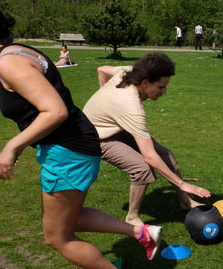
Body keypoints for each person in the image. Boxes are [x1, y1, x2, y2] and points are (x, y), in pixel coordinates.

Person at [0, 8, 162, 269]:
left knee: (57, 236)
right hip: (70, 144)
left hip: (69, 149)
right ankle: (140, 232)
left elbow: (54, 110)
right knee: (71, 216)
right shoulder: (17, 52)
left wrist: (12, 145)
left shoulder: (8, 63)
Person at [83, 53, 211, 226]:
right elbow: (149, 156)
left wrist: (106, 100)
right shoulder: (131, 107)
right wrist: (183, 184)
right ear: (145, 83)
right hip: (95, 136)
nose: (164, 92)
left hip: (116, 125)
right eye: (160, 87)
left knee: (167, 156)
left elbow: (102, 70)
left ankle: (185, 201)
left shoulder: (127, 72)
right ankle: (132, 217)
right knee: (142, 169)